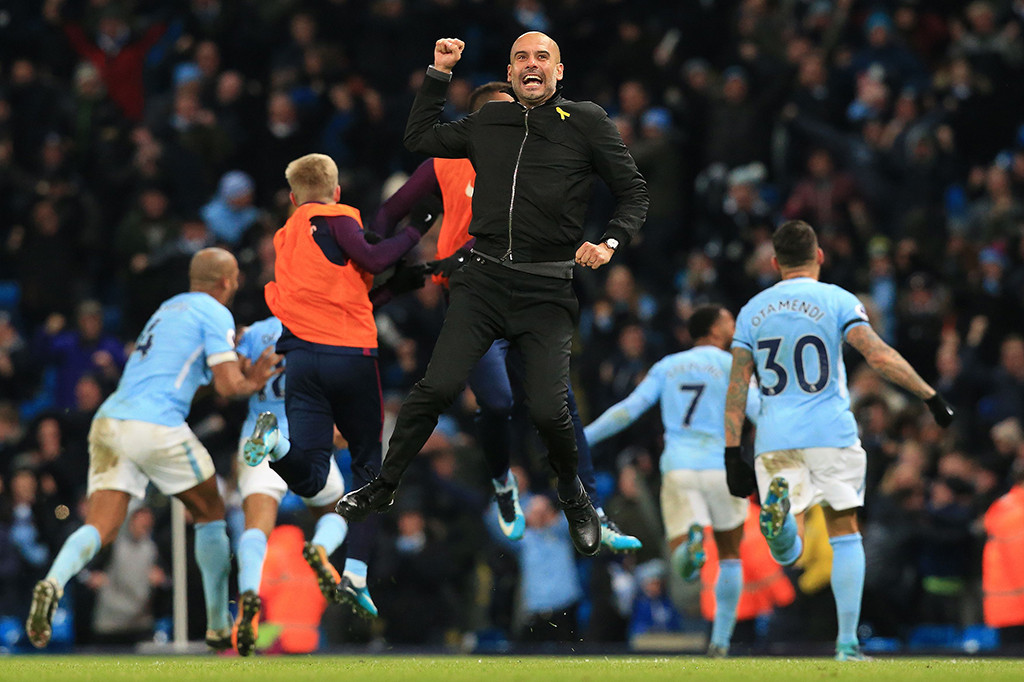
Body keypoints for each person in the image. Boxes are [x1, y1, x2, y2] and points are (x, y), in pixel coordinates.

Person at [338, 32, 649, 558]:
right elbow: (418, 137)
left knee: (553, 411)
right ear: (509, 73)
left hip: (546, 285)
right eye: (522, 58)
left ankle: (577, 498)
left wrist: (610, 241)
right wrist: (439, 72)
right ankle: (387, 487)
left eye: (542, 57)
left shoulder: (587, 121)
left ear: (559, 70)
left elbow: (634, 191)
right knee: (444, 392)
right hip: (479, 280)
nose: (532, 65)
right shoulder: (485, 127)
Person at [25, 248, 280, 650]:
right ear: (226, 282)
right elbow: (231, 387)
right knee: (210, 511)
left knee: (102, 526)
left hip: (111, 420)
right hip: (155, 423)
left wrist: (229, 374)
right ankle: (216, 623)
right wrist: (253, 378)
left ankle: (52, 581)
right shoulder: (216, 313)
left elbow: (185, 382)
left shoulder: (167, 310)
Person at [723, 220, 954, 661]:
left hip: (775, 438)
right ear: (820, 256)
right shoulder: (838, 300)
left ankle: (781, 526)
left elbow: (738, 386)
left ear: (774, 263)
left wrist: (733, 450)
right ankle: (847, 643)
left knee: (789, 553)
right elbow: (877, 354)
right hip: (831, 432)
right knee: (845, 534)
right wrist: (929, 394)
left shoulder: (753, 310)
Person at [241, 152, 431, 618]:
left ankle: (275, 444)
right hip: (350, 356)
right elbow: (370, 253)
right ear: (337, 191)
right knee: (370, 472)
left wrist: (394, 287)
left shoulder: (286, 238)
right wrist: (415, 230)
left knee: (309, 474)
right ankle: (356, 575)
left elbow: (350, 285)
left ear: (291, 198)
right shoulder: (337, 215)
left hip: (302, 361)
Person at [584, 304, 760, 656]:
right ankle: (721, 642)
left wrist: (583, 437)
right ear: (712, 329)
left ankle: (690, 549)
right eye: (728, 321)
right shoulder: (733, 366)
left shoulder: (666, 366)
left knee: (680, 557)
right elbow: (761, 413)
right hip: (721, 467)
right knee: (729, 556)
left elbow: (629, 409)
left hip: (678, 468)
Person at [232, 315, 349, 656]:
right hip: (307, 437)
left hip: (255, 436)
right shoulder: (324, 327)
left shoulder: (253, 333)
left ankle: (248, 600)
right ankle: (322, 549)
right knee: (337, 511)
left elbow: (225, 378)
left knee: (256, 527)